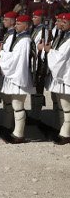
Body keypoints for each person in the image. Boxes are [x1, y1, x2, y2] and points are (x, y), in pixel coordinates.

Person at [0, 14, 35, 144]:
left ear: (26, 25)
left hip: (19, 76)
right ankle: (11, 129)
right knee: (12, 104)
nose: (16, 26)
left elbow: (16, 59)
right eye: (16, 23)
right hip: (14, 75)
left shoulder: (24, 41)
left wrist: (0, 52)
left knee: (18, 106)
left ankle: (19, 134)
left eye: (19, 24)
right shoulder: (19, 38)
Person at [43, 12, 70, 144]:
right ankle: (62, 129)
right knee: (60, 104)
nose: (60, 24)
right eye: (60, 21)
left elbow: (61, 57)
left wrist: (49, 51)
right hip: (60, 75)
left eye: (64, 22)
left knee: (66, 106)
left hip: (66, 74)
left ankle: (66, 133)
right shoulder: (61, 36)